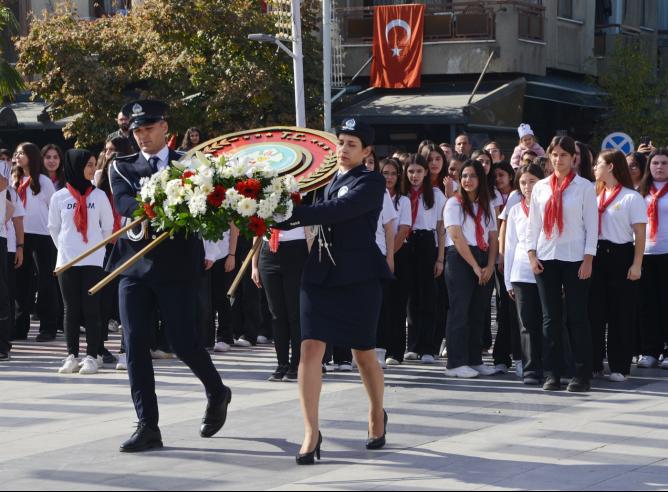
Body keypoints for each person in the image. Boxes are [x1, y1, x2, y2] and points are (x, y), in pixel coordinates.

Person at [107, 100, 231, 452]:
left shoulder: (191, 164)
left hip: (177, 266)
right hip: (135, 265)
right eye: (137, 130)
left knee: (182, 341)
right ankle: (148, 425)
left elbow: (210, 202)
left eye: (148, 128)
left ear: (164, 127)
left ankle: (217, 391)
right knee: (135, 342)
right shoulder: (122, 166)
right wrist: (158, 206)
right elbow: (125, 203)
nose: (142, 136)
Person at [275, 119, 392, 464]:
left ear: (367, 151)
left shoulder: (371, 182)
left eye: (352, 144)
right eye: (341, 142)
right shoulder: (325, 180)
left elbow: (339, 211)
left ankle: (376, 412)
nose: (343, 149)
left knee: (363, 354)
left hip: (358, 278)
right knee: (309, 348)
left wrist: (290, 215)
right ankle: (311, 431)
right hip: (320, 274)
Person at [527, 136, 598, 392]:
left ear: (573, 158)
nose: (559, 159)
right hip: (546, 256)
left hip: (576, 257)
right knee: (550, 319)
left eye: (564, 155)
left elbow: (592, 225)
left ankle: (581, 374)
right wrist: (531, 254)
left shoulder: (584, 186)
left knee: (577, 317)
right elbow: (533, 223)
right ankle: (552, 374)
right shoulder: (541, 187)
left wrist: (588, 259)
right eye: (555, 155)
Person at [49, 149, 115, 375]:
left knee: (92, 309)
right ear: (75, 166)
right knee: (71, 309)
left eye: (94, 164)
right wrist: (66, 248)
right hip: (67, 261)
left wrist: (96, 249)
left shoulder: (99, 196)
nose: (92, 169)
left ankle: (92, 356)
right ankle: (71, 356)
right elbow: (54, 228)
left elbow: (108, 227)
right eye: (88, 164)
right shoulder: (59, 197)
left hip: (93, 260)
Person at [589, 150, 647, 382]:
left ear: (611, 166)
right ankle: (594, 363)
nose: (595, 168)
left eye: (598, 164)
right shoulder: (595, 194)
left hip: (621, 254)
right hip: (596, 255)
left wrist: (637, 264)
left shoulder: (631, 197)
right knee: (594, 312)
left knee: (620, 313)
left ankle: (619, 366)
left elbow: (640, 233)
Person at [443, 160, 498, 378]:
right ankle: (455, 363)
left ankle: (475, 359)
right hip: (461, 258)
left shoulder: (487, 204)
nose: (467, 180)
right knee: (460, 310)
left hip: (484, 256)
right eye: (464, 176)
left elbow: (493, 236)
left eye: (472, 176)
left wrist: (490, 265)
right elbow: (456, 236)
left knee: (478, 311)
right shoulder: (453, 204)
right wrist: (475, 266)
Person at [251, 217, 309, 382]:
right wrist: (254, 266)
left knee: (294, 314)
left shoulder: (302, 199)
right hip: (268, 251)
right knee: (276, 314)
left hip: (296, 250)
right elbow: (257, 228)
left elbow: (309, 229)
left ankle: (296, 365)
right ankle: (281, 364)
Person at [13, 143, 60, 342]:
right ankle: (19, 327)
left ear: (31, 156)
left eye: (22, 153)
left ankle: (48, 327)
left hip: (43, 236)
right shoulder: (14, 180)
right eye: (16, 153)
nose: (17, 156)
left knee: (45, 282)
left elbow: (54, 207)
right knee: (22, 283)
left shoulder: (43, 181)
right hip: (20, 236)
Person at [402, 154, 446, 364]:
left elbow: (441, 227)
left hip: (427, 242)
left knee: (428, 297)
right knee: (411, 297)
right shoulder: (402, 195)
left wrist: (440, 258)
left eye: (419, 171)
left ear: (426, 172)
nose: (415, 175)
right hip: (406, 242)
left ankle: (429, 347)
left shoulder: (435, 194)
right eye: (411, 171)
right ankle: (413, 345)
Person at [504, 163, 546, 384]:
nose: (527, 186)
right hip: (521, 272)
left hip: (547, 269)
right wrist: (507, 280)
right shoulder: (515, 210)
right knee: (527, 323)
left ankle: (551, 366)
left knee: (549, 321)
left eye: (532, 181)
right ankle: (531, 369)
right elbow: (510, 245)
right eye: (523, 182)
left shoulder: (549, 205)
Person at [637, 149, 668, 370]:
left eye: (664, 163)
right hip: (645, 254)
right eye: (655, 163)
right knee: (647, 305)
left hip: (666, 253)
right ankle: (650, 350)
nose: (660, 167)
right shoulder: (640, 191)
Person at [491, 161, 522, 374]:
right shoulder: (515, 197)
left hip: (533, 261)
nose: (498, 179)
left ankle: (526, 356)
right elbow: (504, 228)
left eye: (501, 175)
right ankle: (502, 356)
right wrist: (502, 256)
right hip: (509, 259)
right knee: (507, 308)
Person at [380, 158, 411, 365]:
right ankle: (379, 347)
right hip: (378, 252)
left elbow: (403, 229)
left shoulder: (404, 201)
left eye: (393, 174)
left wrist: (390, 253)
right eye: (385, 173)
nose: (389, 178)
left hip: (398, 253)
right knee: (381, 303)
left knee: (398, 303)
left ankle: (396, 351)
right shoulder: (374, 196)